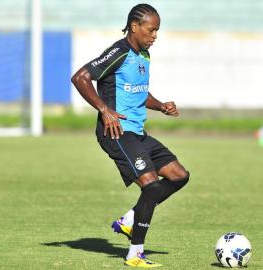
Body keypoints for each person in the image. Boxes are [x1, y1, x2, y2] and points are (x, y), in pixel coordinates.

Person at [71, 4, 189, 268]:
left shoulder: (144, 55)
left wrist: (159, 106)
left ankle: (128, 221)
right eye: (151, 29)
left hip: (137, 133)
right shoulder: (119, 52)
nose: (155, 35)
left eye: (157, 30)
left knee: (179, 175)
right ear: (134, 27)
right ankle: (135, 254)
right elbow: (80, 77)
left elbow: (137, 91)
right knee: (151, 186)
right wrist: (105, 110)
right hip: (116, 133)